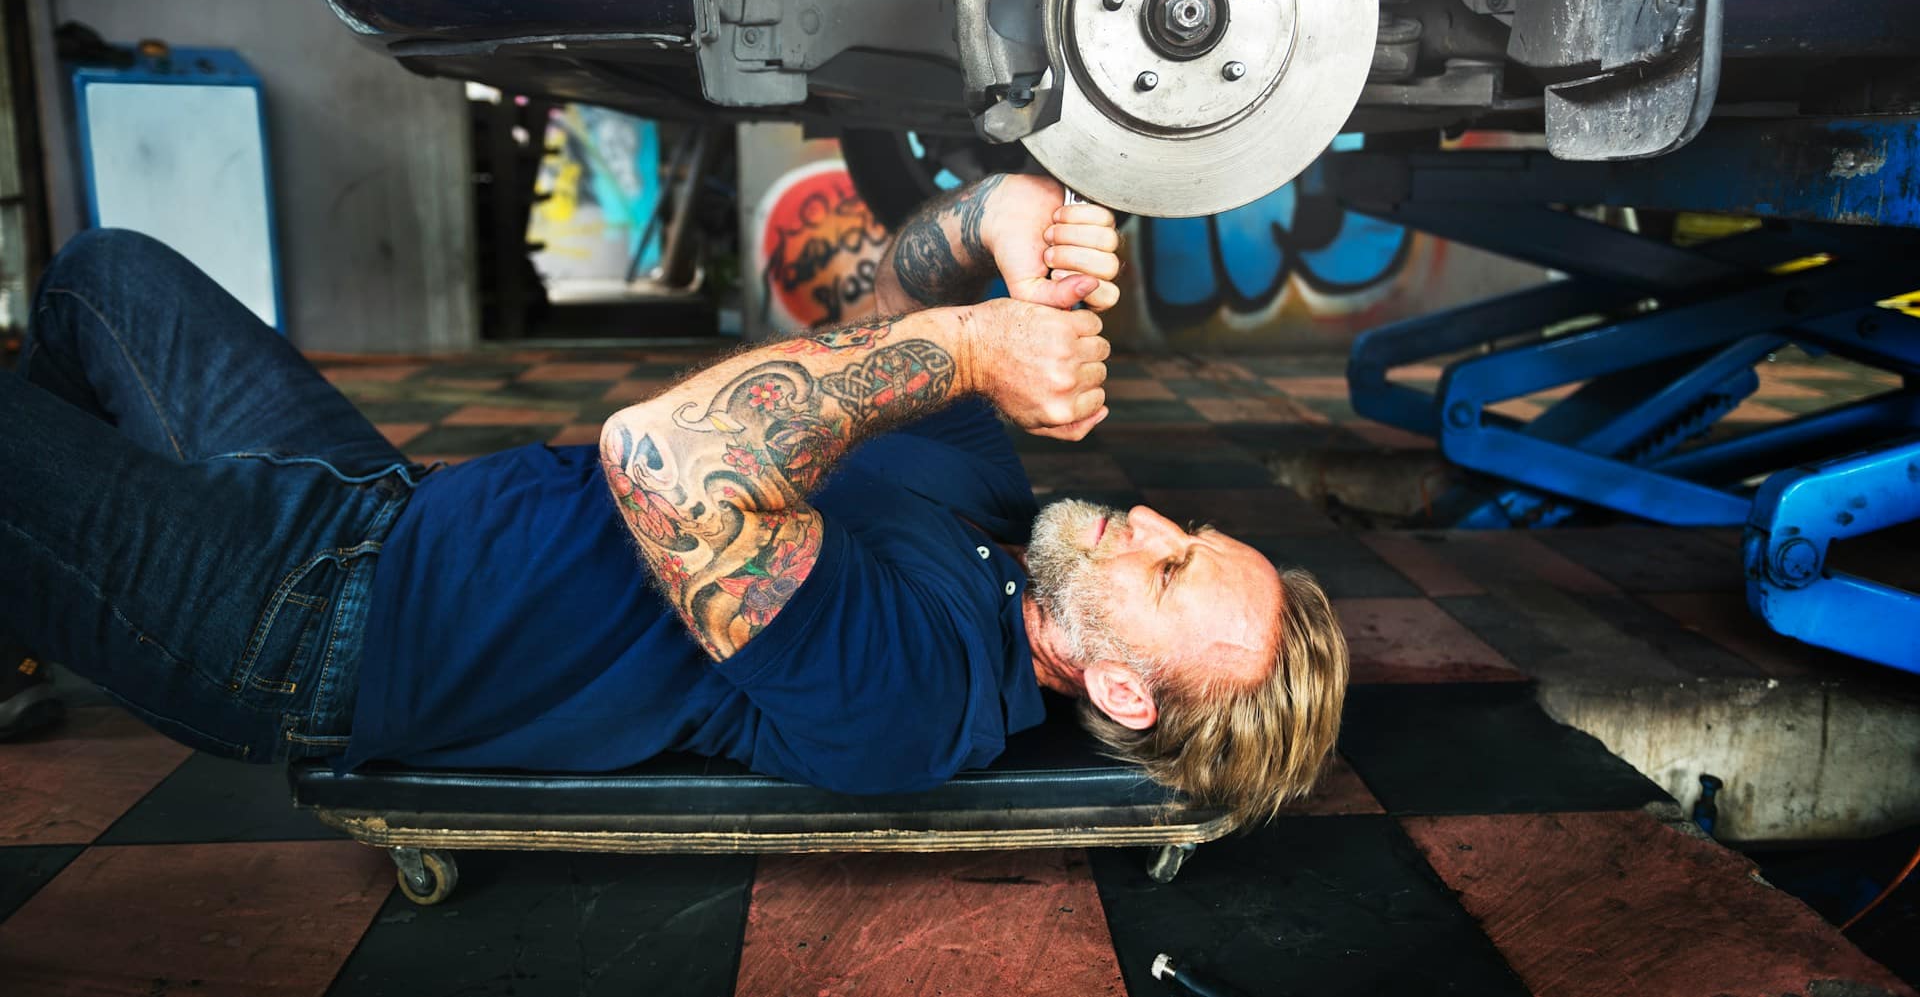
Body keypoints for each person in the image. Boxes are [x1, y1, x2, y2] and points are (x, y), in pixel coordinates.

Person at [1, 173, 1347, 825]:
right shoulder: (991, 499)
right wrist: (988, 221)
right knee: (100, 276)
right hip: (373, 501)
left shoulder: (924, 689)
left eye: (1167, 572)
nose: (1151, 523)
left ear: (1120, 691)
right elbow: (874, 300)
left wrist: (980, 347)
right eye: (1193, 532)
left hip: (304, 627)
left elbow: (659, 460)